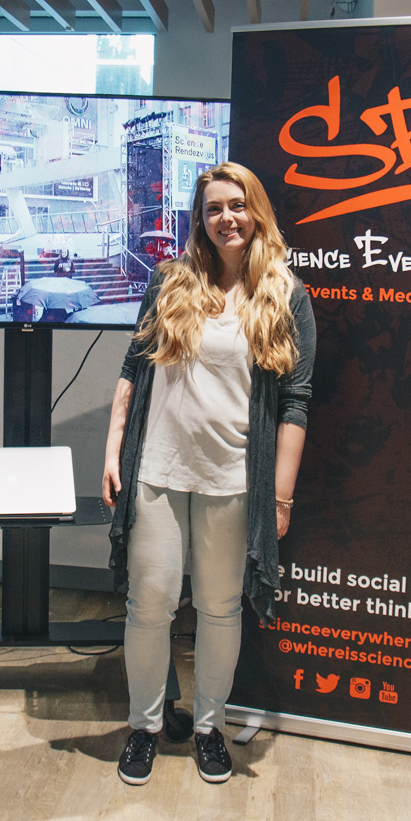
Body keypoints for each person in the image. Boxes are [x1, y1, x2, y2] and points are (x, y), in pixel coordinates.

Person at [102, 162, 315, 786]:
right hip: (157, 470)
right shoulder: (170, 282)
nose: (226, 218)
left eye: (237, 205)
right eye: (214, 207)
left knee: (221, 608)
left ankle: (208, 729)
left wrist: (280, 498)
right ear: (200, 218)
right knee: (150, 603)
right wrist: (113, 451)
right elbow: (133, 369)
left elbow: (296, 403)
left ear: (257, 212)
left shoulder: (286, 295)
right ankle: (144, 728)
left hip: (233, 479)